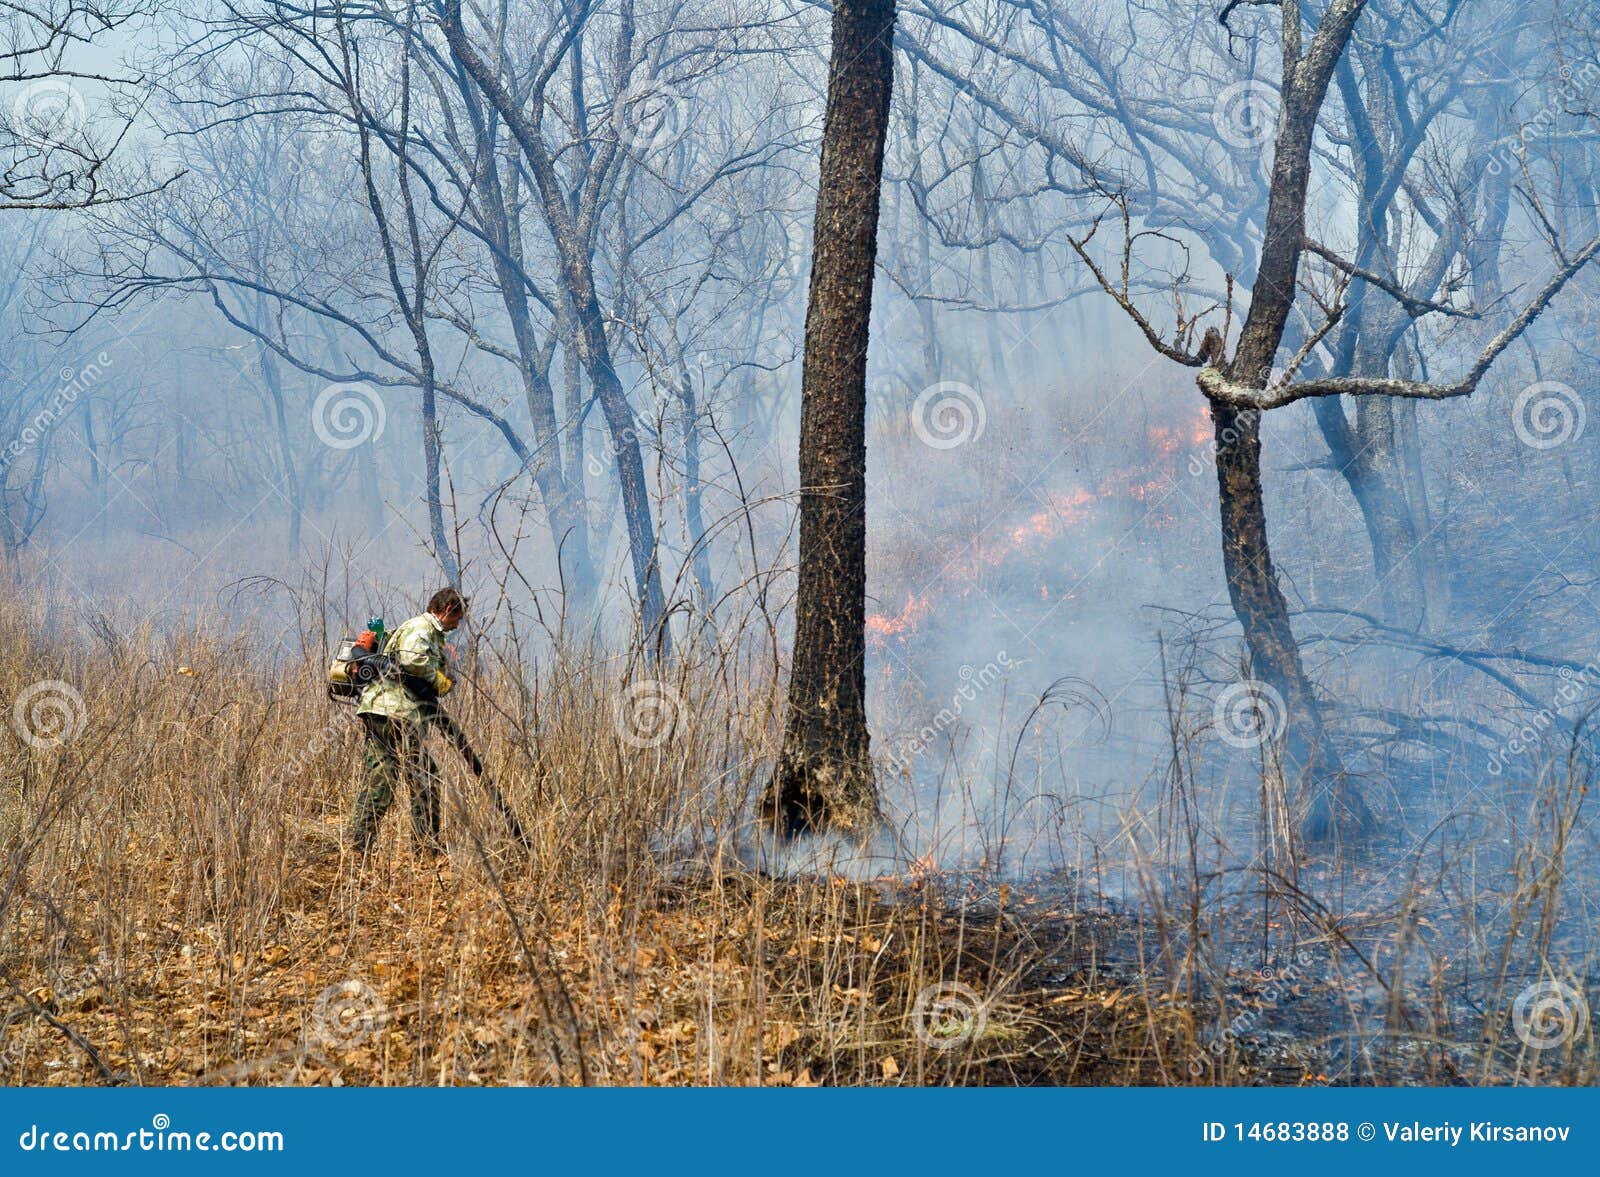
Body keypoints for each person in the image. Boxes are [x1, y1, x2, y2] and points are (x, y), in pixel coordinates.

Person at [348, 587, 467, 856]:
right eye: (457, 619)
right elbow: (413, 661)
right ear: (447, 610)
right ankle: (426, 848)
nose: (457, 626)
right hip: (399, 713)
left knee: (382, 776)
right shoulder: (423, 628)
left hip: (378, 709)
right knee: (425, 778)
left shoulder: (415, 628)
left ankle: (357, 844)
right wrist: (439, 681)